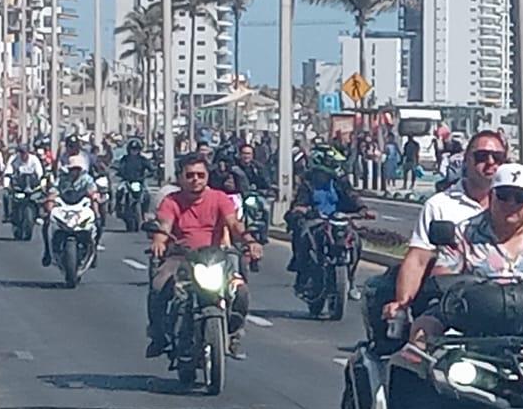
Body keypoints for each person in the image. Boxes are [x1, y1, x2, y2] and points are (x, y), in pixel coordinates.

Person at [385, 129, 521, 322]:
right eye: (482, 156)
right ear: (466, 159)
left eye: (497, 157)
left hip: (518, 307)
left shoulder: (522, 206)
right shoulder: (440, 205)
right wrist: (402, 305)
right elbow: (419, 259)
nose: (490, 162)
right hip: (460, 309)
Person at [146, 152, 261, 359]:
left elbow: (234, 224)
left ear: (207, 176)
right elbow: (164, 226)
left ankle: (233, 335)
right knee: (159, 285)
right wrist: (159, 241)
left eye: (200, 175)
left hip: (215, 259)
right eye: (190, 175)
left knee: (241, 292)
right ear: (180, 178)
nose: (195, 180)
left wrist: (250, 241)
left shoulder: (220, 198)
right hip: (180, 259)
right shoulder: (171, 201)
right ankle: (158, 336)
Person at [434, 163, 523, 285]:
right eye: (504, 195)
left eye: (520, 197)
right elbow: (442, 281)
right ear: (491, 197)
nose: (511, 203)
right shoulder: (464, 235)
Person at [286, 146, 366, 293]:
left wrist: (362, 208)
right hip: (316, 220)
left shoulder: (339, 181)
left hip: (338, 219)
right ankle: (303, 273)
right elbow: (298, 203)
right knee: (304, 235)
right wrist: (302, 210)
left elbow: (351, 194)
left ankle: (351, 279)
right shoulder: (307, 183)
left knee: (355, 240)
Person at [40, 162, 102, 268]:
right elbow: (53, 190)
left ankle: (94, 249)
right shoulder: (62, 179)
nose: (75, 171)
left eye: (77, 169)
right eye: (73, 169)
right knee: (46, 223)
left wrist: (95, 202)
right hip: (65, 207)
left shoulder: (87, 179)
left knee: (98, 223)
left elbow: (93, 191)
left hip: (81, 207)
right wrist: (50, 203)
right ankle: (47, 252)